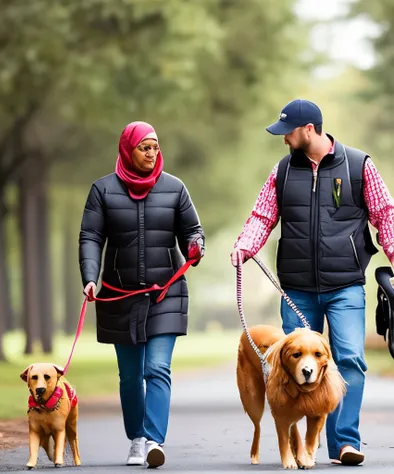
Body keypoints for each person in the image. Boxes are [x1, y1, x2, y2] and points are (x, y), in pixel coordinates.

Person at [231, 99, 394, 466]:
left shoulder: (358, 165)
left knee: (349, 360)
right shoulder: (283, 172)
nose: (283, 138)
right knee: (291, 366)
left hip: (346, 286)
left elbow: (386, 215)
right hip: (297, 289)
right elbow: (262, 214)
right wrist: (245, 245)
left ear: (309, 130)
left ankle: (344, 442)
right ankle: (302, 445)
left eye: (287, 132)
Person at [79, 121, 205, 468]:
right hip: (121, 296)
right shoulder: (102, 191)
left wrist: (196, 246)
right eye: (144, 147)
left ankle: (153, 440)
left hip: (167, 293)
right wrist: (90, 277)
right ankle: (136, 437)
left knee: (158, 368)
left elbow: (192, 229)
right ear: (127, 149)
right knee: (130, 376)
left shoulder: (175, 188)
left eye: (155, 147)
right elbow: (90, 236)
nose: (152, 154)